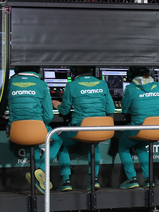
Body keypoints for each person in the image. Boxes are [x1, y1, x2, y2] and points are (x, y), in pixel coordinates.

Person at [53, 66, 115, 191]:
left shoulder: (72, 85)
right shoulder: (103, 84)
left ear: (74, 71)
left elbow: (65, 111)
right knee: (94, 144)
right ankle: (94, 179)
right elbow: (110, 109)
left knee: (60, 143)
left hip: (80, 129)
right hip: (100, 128)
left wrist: (58, 105)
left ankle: (65, 181)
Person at [7, 65, 63, 194]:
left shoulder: (9, 83)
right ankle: (41, 169)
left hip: (16, 130)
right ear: (37, 70)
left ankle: (37, 177)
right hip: (36, 129)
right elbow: (48, 115)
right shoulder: (42, 84)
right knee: (57, 141)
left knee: (31, 141)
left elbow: (2, 106)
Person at [118, 67, 159, 189]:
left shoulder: (131, 88)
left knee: (123, 147)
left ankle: (131, 179)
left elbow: (125, 109)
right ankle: (149, 179)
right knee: (140, 145)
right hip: (156, 127)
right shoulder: (157, 86)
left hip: (139, 127)